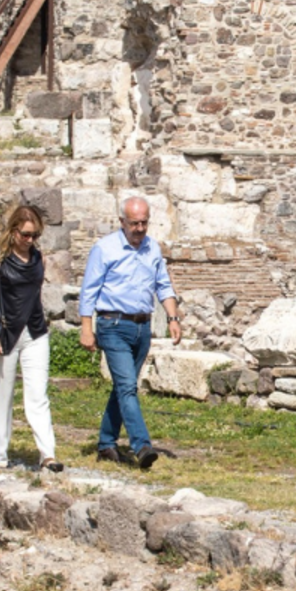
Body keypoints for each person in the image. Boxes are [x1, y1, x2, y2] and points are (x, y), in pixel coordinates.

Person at [79, 196, 182, 470]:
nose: (139, 228)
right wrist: (86, 328)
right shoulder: (105, 248)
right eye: (134, 223)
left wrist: (172, 318)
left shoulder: (152, 248)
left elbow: (163, 285)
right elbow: (88, 291)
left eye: (144, 223)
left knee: (122, 388)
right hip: (113, 325)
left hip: (142, 327)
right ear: (122, 222)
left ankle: (106, 443)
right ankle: (142, 445)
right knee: (127, 387)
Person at [0, 204, 63, 472]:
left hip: (35, 332)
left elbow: (34, 295)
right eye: (26, 235)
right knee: (2, 395)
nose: (30, 240)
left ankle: (47, 455)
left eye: (35, 235)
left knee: (38, 395)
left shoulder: (39, 258)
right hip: (5, 332)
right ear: (14, 231)